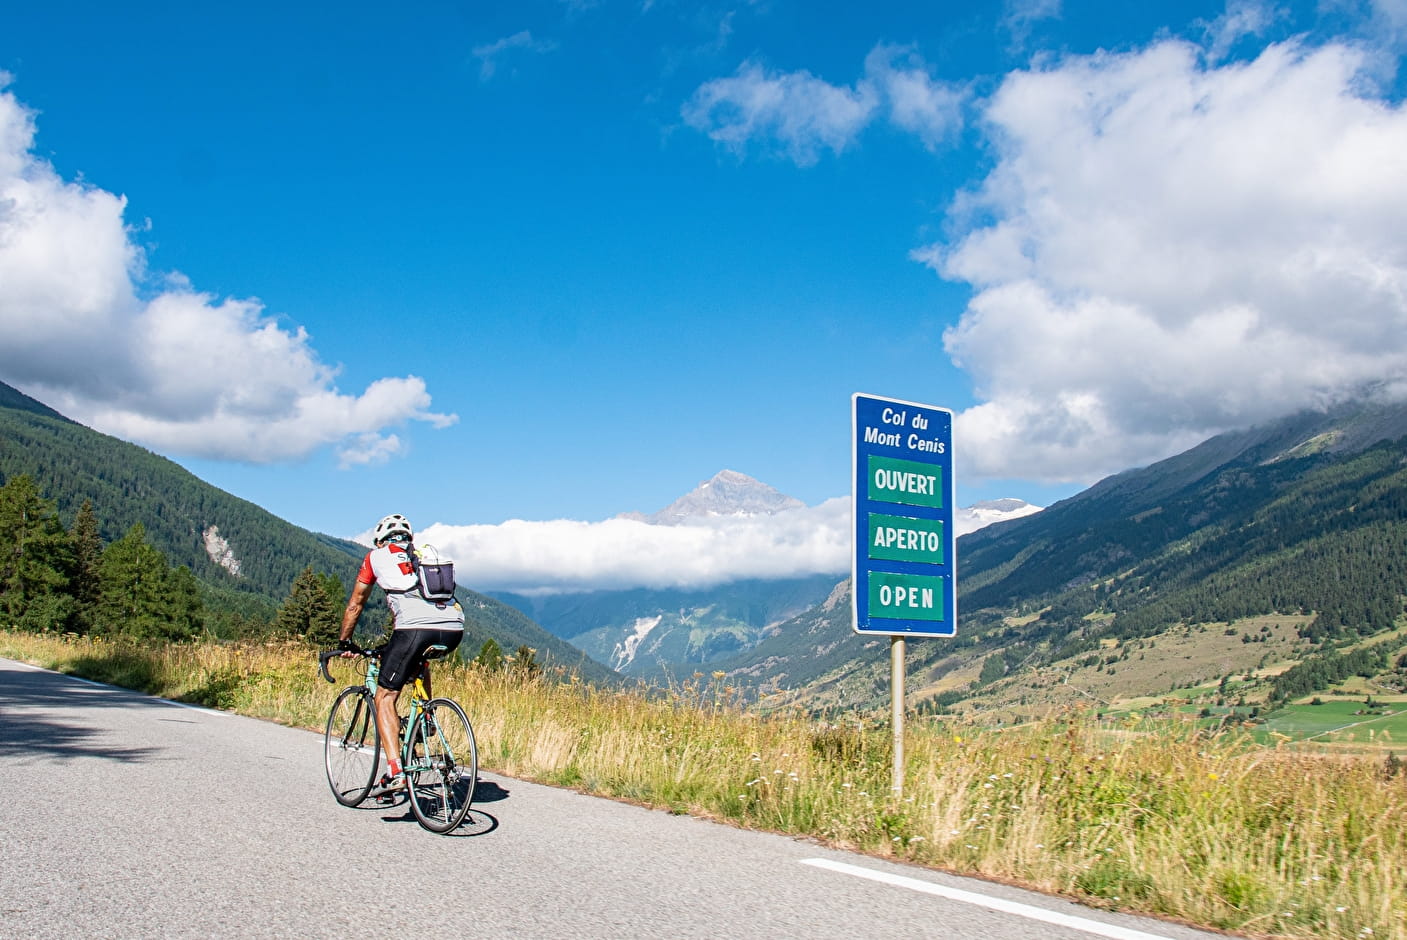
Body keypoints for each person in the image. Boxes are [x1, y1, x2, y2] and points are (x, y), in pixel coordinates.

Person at [338, 513, 464, 791]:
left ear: (380, 540)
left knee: (385, 696)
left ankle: (395, 768)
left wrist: (345, 641)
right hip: (454, 626)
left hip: (413, 629)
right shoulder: (423, 554)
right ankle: (426, 717)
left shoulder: (375, 557)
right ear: (410, 538)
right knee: (419, 662)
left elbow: (355, 604)